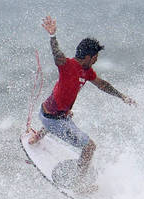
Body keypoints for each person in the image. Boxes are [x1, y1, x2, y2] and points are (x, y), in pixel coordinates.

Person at [29, 16, 135, 176]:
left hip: (52, 112)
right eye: (95, 58)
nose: (96, 61)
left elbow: (102, 84)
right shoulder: (67, 65)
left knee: (65, 113)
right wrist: (52, 36)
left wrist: (122, 97)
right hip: (52, 118)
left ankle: (39, 136)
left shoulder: (87, 71)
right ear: (88, 57)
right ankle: (79, 182)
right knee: (89, 147)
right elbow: (57, 54)